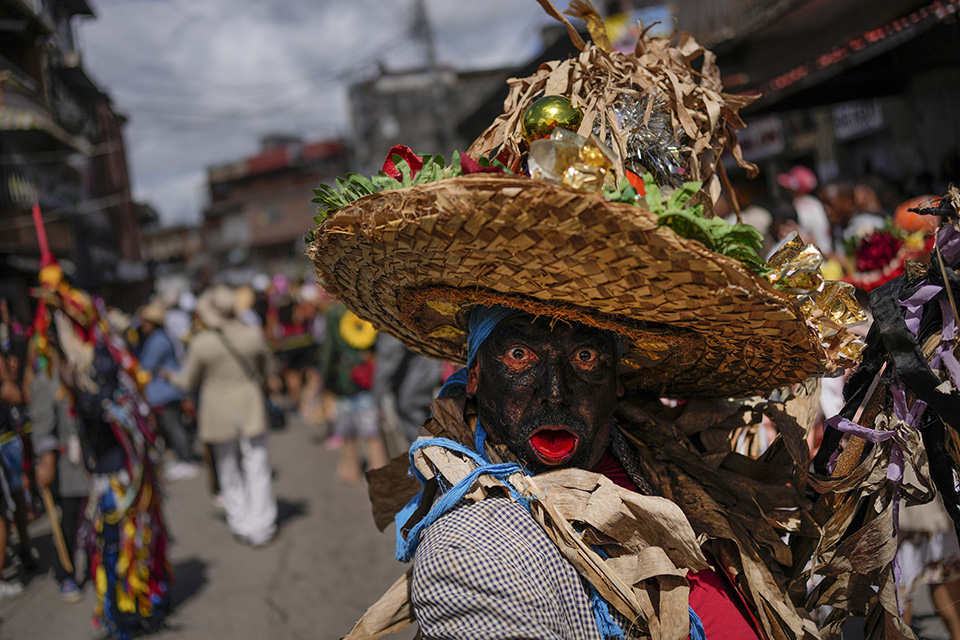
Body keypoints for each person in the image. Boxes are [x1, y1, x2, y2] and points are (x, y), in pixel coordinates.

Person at [309, 7, 959, 639]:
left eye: (588, 358)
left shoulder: (659, 458)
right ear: (472, 374)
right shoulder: (480, 549)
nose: (557, 393)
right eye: (519, 358)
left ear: (622, 373)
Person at [168, 285, 278, 547]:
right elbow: (269, 370)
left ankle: (240, 521)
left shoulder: (202, 344)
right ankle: (262, 525)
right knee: (257, 465)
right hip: (250, 404)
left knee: (227, 468)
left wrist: (168, 376)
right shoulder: (253, 335)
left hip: (217, 410)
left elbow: (187, 382)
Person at [29, 345, 89, 602]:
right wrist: (47, 460)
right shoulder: (46, 381)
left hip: (90, 459)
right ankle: (67, 572)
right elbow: (42, 428)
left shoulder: (82, 370)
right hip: (68, 465)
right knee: (70, 518)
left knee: (92, 517)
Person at [319, 303, 387, 484]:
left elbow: (329, 349)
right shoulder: (367, 306)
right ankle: (379, 470)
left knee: (347, 433)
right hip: (367, 374)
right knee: (373, 431)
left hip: (344, 378)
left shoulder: (333, 312)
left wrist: (326, 381)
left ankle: (351, 469)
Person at [137, 301, 198, 480]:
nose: (143, 325)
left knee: (173, 426)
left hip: (165, 391)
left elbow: (147, 365)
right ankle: (183, 458)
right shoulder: (161, 337)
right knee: (171, 425)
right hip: (165, 390)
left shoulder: (158, 340)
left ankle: (186, 460)